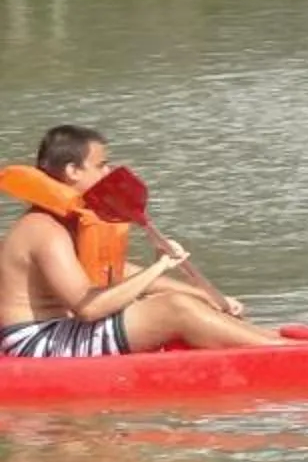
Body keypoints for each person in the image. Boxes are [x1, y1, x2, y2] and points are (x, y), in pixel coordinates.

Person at [0, 126, 280, 358]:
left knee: (178, 301)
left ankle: (276, 342)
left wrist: (206, 296)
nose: (108, 173)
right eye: (100, 165)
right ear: (73, 170)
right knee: (173, 308)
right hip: (34, 344)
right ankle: (283, 353)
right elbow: (89, 309)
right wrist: (159, 266)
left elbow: (119, 273)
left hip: (62, 331)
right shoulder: (44, 229)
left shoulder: (67, 221)